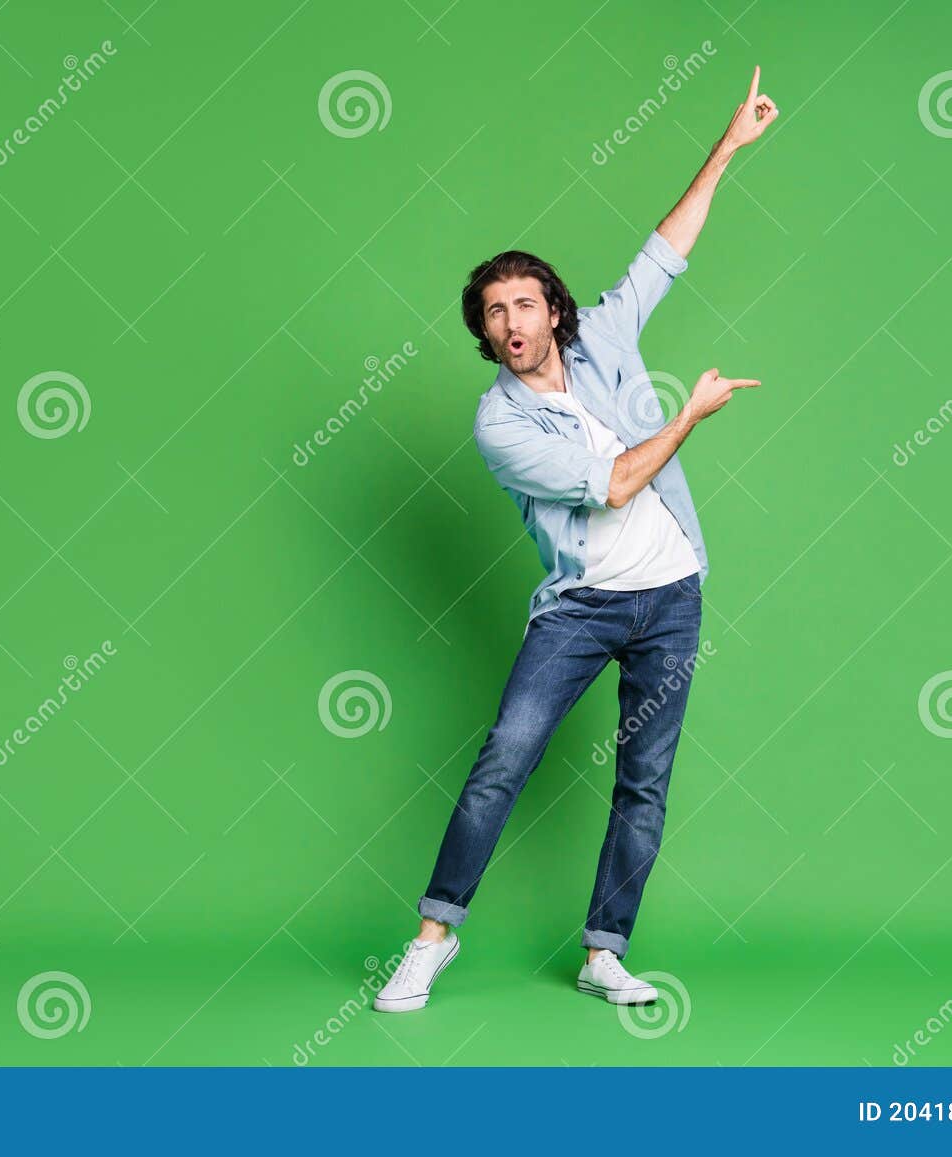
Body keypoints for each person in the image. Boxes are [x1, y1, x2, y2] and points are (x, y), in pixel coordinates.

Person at [374, 68, 778, 1013]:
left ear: (554, 309)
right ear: (486, 333)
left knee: (645, 782)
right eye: (493, 314)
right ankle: (432, 939)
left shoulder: (604, 336)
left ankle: (605, 952)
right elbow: (615, 483)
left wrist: (728, 147)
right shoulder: (499, 424)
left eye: (524, 305)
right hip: (582, 611)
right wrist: (691, 416)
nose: (511, 324)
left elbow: (663, 251)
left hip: (674, 598)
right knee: (504, 761)